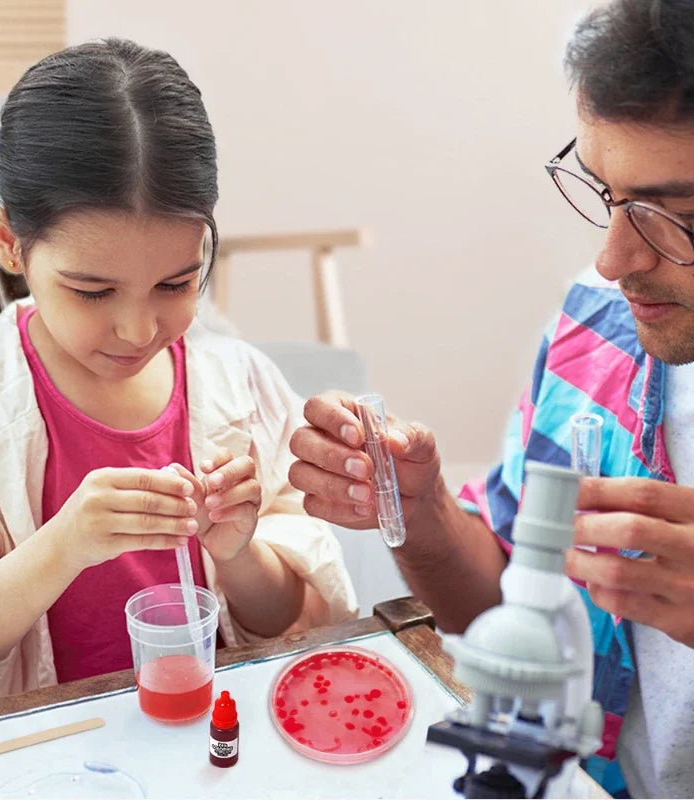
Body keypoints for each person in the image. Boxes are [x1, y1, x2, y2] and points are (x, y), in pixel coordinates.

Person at [289, 1, 694, 797]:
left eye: (674, 217)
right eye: (606, 193)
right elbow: (508, 608)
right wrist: (425, 512)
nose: (612, 260)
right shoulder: (600, 330)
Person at [0, 38, 357, 719]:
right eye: (92, 291)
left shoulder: (240, 383)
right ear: (8, 243)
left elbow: (291, 614)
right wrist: (62, 545)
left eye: (176, 282)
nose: (138, 330)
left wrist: (239, 553)